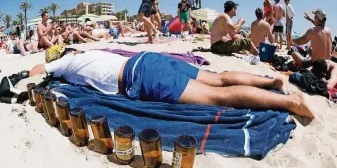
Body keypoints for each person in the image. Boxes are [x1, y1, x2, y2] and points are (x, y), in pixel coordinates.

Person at [29, 49, 314, 119]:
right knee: (218, 79)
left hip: (141, 77)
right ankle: (273, 80)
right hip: (150, 60)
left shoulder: (64, 62)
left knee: (217, 97)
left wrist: (46, 70)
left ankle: (291, 102)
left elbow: (37, 70)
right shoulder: (92, 53)